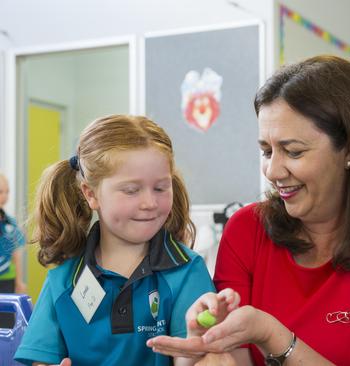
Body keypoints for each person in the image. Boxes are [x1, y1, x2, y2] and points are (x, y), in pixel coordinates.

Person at [146, 55, 350, 365]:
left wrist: (271, 335)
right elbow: (233, 360)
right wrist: (204, 348)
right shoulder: (246, 229)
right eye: (266, 150)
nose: (272, 171)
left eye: (293, 151)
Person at [14, 115, 215, 366]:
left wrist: (195, 347)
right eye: (131, 190)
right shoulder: (62, 281)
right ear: (90, 194)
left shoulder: (187, 272)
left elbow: (194, 358)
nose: (150, 203)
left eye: (161, 188)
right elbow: (40, 360)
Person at [0, 173, 27, 294]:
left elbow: (17, 253)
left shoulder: (11, 223)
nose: (5, 196)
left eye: (7, 192)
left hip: (7, 279)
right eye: (1, 192)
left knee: (6, 312)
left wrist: (19, 281)